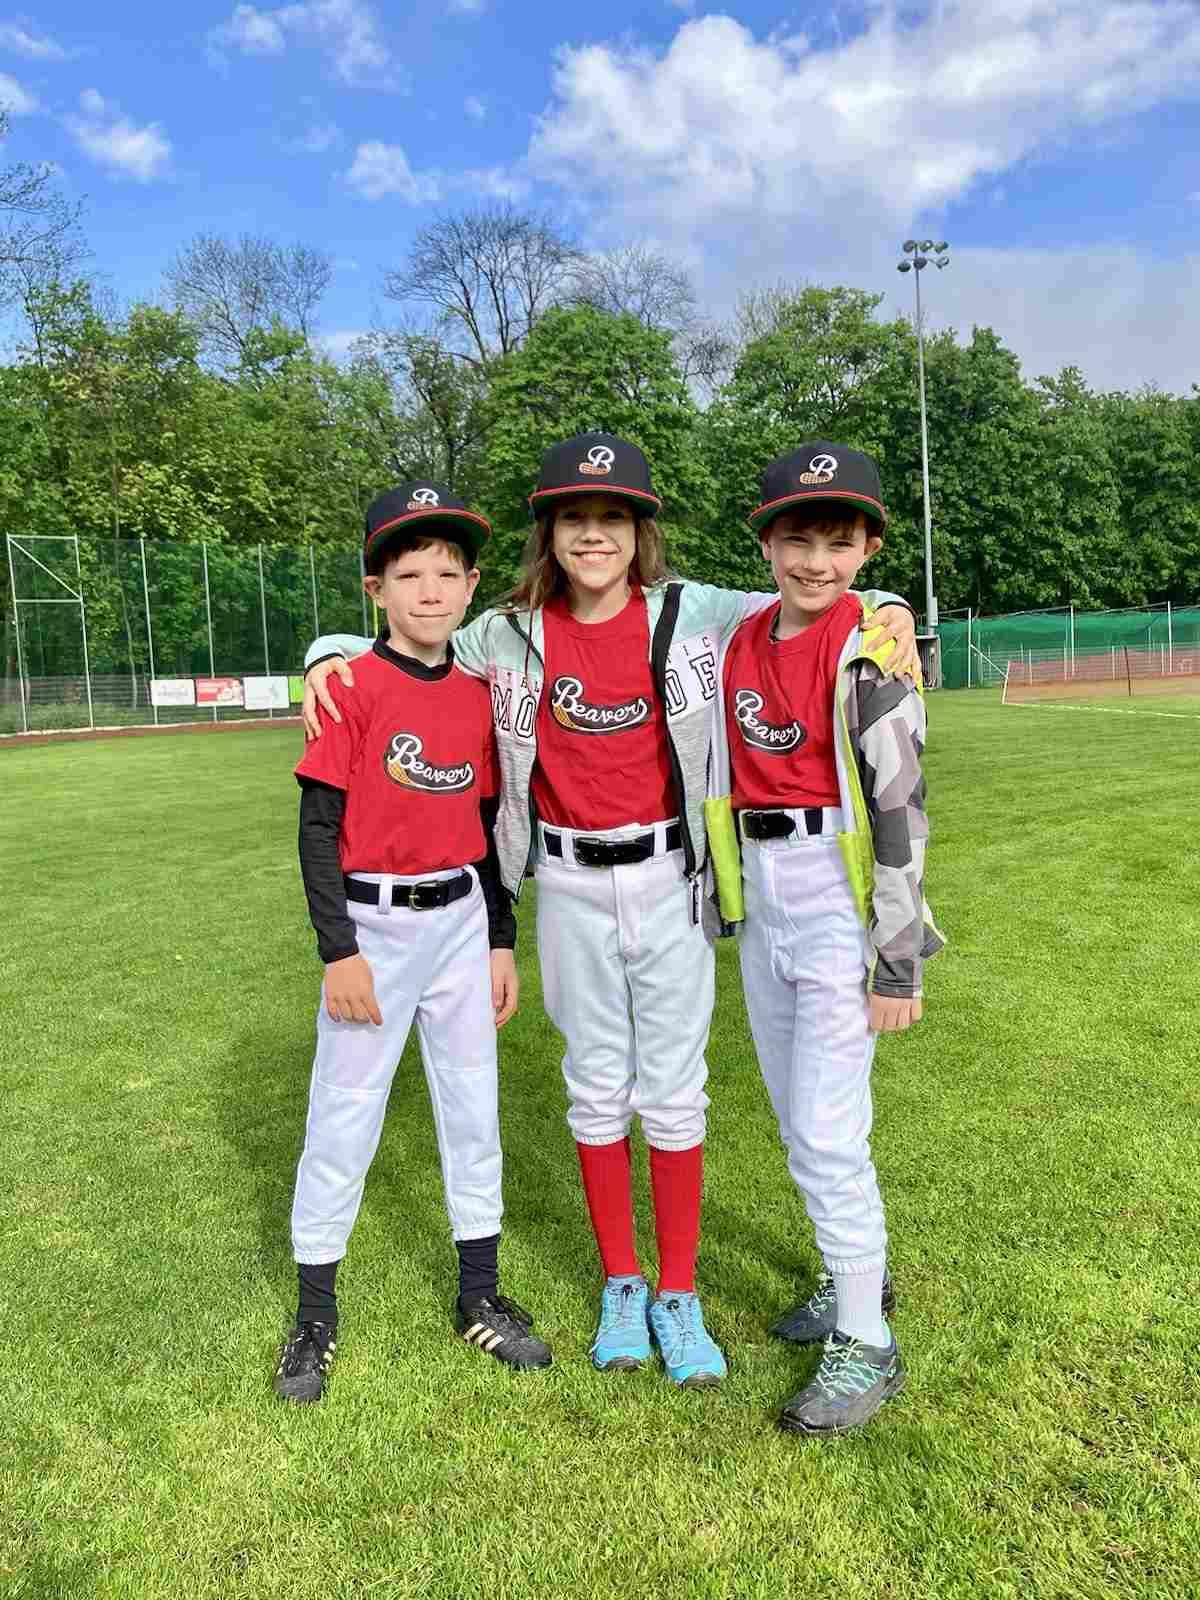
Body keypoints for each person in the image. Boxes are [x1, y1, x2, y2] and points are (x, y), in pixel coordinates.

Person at [300, 433, 917, 1388]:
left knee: (673, 1091)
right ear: (550, 532)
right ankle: (622, 1283)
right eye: (575, 518)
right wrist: (324, 653)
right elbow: (405, 640)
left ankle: (679, 1292)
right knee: (594, 1086)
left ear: (640, 530)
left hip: (671, 879)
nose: (594, 536)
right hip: (569, 883)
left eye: (613, 518)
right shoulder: (506, 632)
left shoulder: (694, 610)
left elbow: (816, 597)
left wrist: (892, 604)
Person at [274, 482, 552, 1406]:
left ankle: (480, 1292)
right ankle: (316, 1313)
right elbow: (319, 829)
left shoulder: (478, 695)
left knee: (472, 1107)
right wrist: (338, 950)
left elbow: (488, 830)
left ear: (471, 585)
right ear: (376, 590)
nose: (430, 591)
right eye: (408, 575)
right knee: (343, 1113)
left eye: (447, 573)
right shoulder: (350, 685)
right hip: (375, 927)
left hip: (462, 923)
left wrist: (501, 940)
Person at [706, 442, 943, 1433]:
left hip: (837, 905)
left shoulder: (872, 651)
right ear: (765, 542)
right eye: (797, 539)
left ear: (868, 547)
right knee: (797, 1115)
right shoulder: (735, 635)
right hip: (763, 897)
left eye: (840, 543)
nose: (816, 561)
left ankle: (867, 1342)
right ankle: (856, 1279)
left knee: (825, 1127)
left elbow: (900, 813)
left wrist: (898, 958)